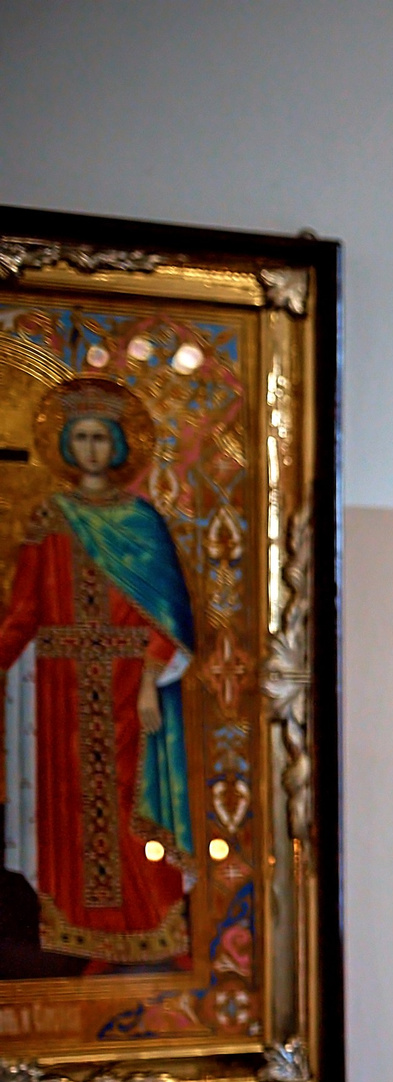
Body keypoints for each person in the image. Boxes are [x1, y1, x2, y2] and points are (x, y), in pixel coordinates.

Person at [0, 376, 195, 970]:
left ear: (118, 445)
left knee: (128, 804)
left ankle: (148, 927)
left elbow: (168, 617)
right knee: (70, 808)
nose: (90, 448)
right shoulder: (50, 519)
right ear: (65, 444)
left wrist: (148, 683)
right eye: (80, 437)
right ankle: (80, 934)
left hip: (126, 685)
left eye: (100, 437)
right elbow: (24, 611)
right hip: (60, 690)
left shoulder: (142, 522)